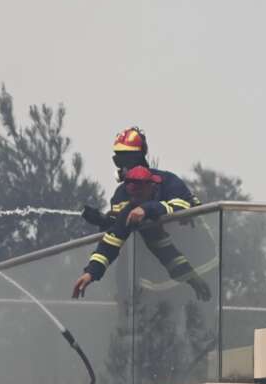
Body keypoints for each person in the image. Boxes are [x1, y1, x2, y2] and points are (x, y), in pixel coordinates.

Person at [73, 127, 211, 301]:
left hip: (201, 262)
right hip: (155, 279)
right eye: (118, 159)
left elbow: (185, 208)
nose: (134, 193)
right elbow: (115, 236)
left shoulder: (169, 182)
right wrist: (91, 272)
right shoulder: (124, 197)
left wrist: (148, 209)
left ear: (152, 186)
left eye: (126, 159)